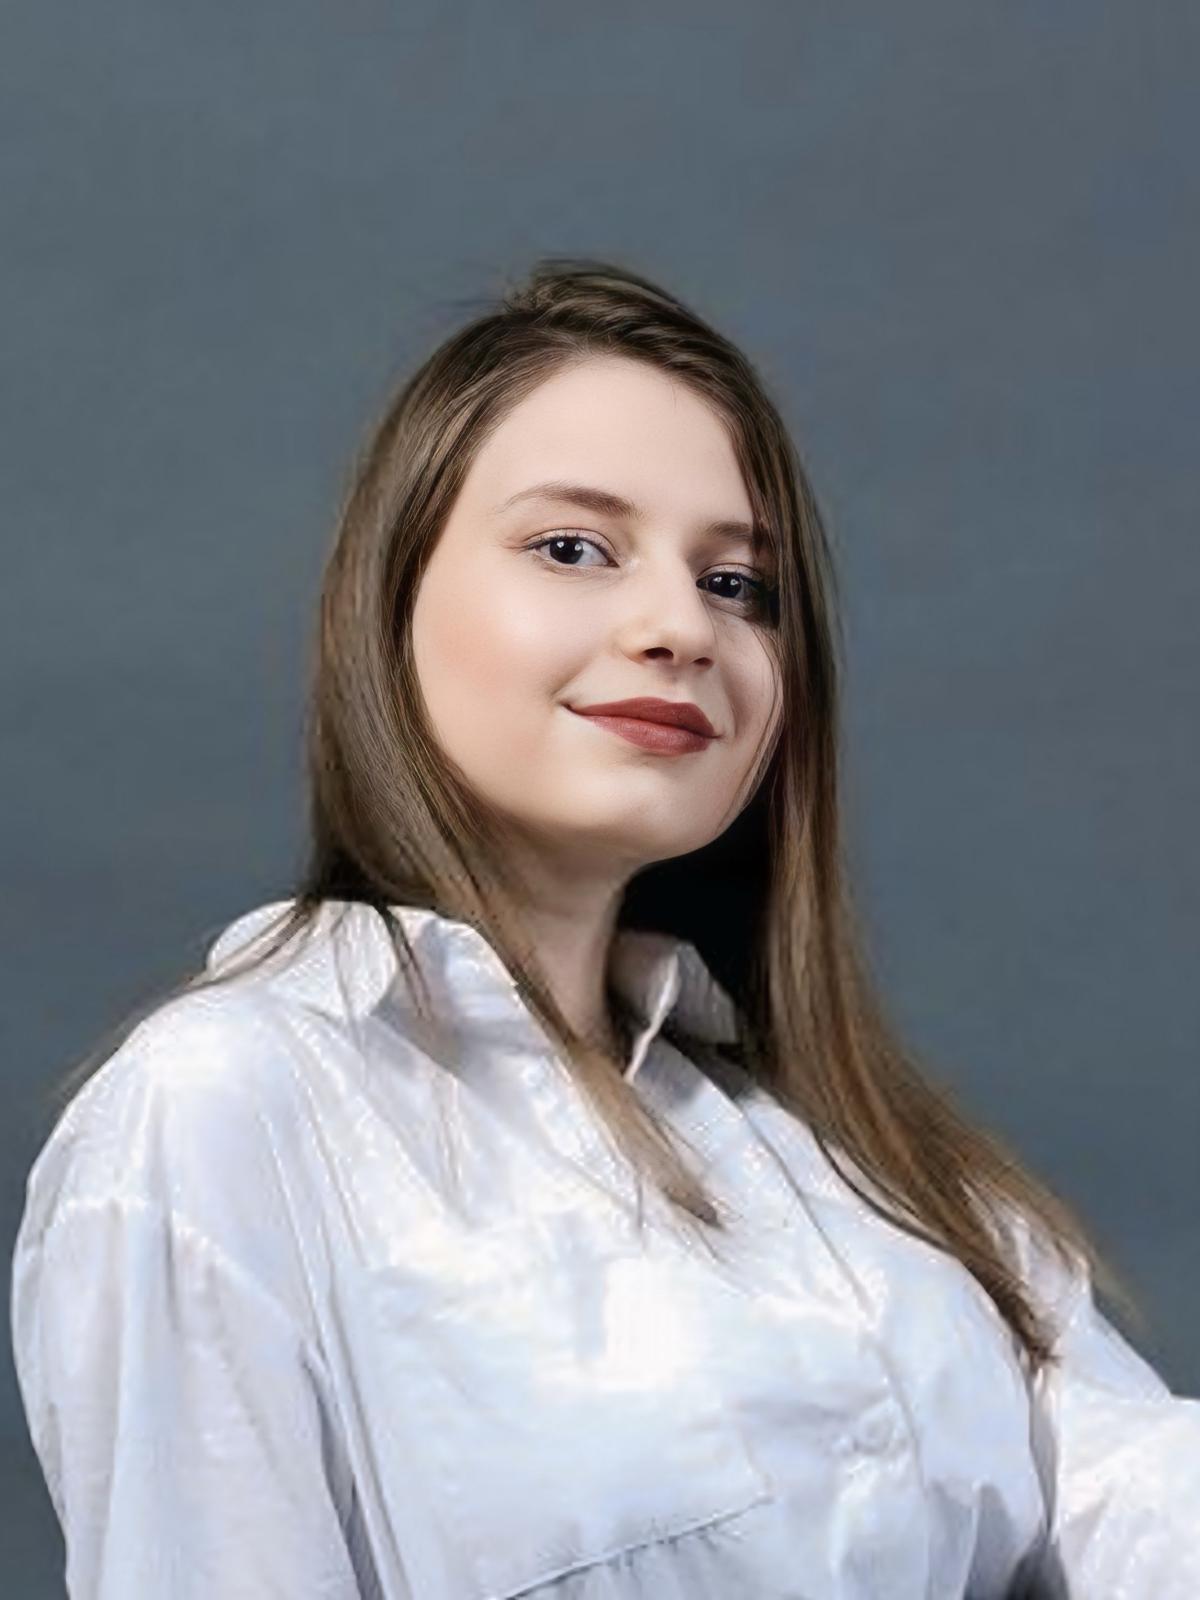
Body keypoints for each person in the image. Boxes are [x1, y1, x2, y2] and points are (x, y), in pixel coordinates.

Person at [10, 257, 1199, 1599]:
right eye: (572, 548)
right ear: (390, 604)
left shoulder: (858, 1156)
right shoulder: (230, 1112)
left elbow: (1137, 1499)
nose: (681, 626)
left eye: (738, 584)